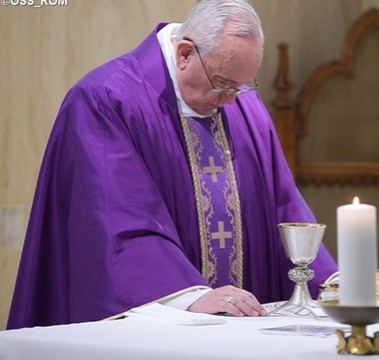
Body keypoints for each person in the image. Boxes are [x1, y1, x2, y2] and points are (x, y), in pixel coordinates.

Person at [7, 0, 337, 329]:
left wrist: (330, 282)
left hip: (242, 329)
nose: (232, 99)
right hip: (156, 322)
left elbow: (282, 203)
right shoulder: (106, 99)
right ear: (184, 54)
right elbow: (117, 220)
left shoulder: (242, 106)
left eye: (242, 86)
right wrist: (185, 295)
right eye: (222, 83)